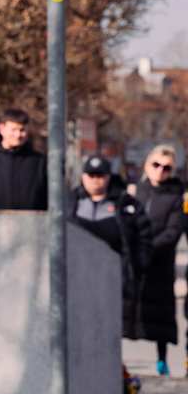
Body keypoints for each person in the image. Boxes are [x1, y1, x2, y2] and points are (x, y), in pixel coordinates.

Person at [71, 155, 153, 361]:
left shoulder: (125, 204)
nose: (95, 180)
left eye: (100, 176)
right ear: (83, 177)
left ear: (109, 177)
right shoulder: (71, 202)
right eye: (91, 175)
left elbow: (144, 237)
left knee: (109, 331)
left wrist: (137, 266)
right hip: (77, 278)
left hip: (113, 279)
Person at [129, 146, 182, 375]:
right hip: (135, 261)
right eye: (156, 165)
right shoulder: (136, 192)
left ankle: (162, 359)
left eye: (166, 168)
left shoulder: (175, 196)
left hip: (160, 263)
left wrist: (149, 247)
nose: (160, 171)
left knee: (160, 315)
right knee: (129, 310)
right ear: (147, 165)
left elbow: (173, 231)